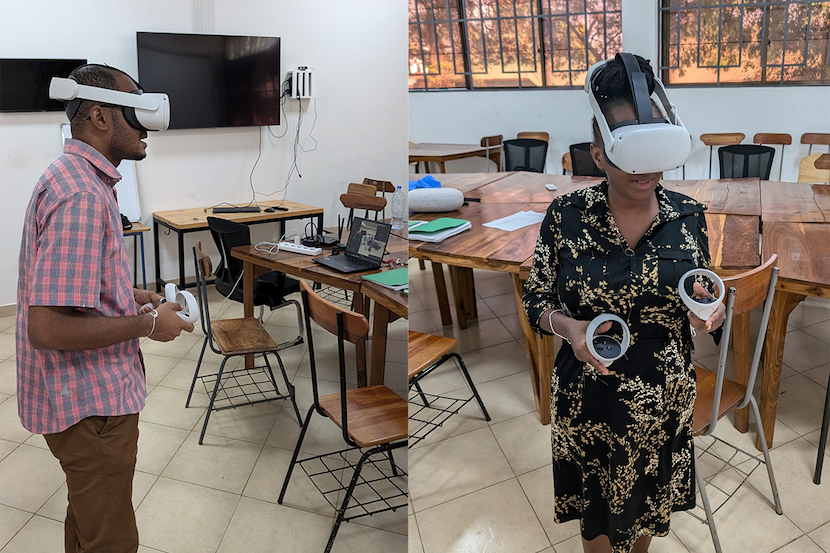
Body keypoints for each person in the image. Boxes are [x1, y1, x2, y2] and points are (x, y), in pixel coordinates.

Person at [522, 54, 726, 553]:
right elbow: (536, 300)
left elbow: (707, 295)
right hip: (591, 395)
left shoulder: (689, 216)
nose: (644, 171)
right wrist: (567, 327)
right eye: (627, 155)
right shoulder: (566, 215)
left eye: (653, 152)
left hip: (664, 397)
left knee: (643, 518)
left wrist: (713, 311)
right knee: (598, 523)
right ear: (598, 153)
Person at [16, 64, 193, 553]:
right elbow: (47, 326)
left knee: (91, 520)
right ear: (98, 115)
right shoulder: (80, 194)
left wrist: (131, 294)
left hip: (80, 403)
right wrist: (148, 323)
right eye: (135, 113)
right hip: (89, 407)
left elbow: (71, 285)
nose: (145, 127)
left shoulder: (76, 178)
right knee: (111, 539)